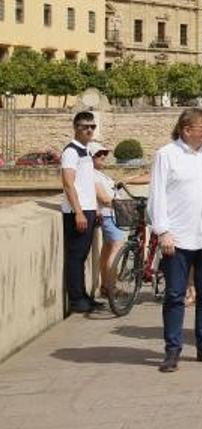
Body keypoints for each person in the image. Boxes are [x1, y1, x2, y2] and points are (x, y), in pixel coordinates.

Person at [149, 108, 202, 372]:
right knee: (175, 296)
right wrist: (162, 231)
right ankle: (172, 349)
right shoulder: (166, 155)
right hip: (179, 237)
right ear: (186, 129)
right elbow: (157, 195)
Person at [60, 111, 101, 314]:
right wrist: (78, 212)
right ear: (76, 127)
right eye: (85, 126)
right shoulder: (71, 152)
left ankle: (84, 296)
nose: (89, 130)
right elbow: (68, 184)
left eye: (92, 127)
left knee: (82, 256)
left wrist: (95, 209)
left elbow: (86, 183)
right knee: (76, 257)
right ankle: (77, 300)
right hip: (78, 211)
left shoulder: (85, 150)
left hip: (88, 209)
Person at [91, 141, 124, 303]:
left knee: (107, 249)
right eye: (99, 154)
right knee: (117, 248)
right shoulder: (93, 174)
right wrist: (121, 205)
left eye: (105, 153)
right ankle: (111, 286)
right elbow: (103, 198)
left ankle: (105, 285)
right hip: (108, 215)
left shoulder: (99, 174)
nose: (103, 156)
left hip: (109, 214)